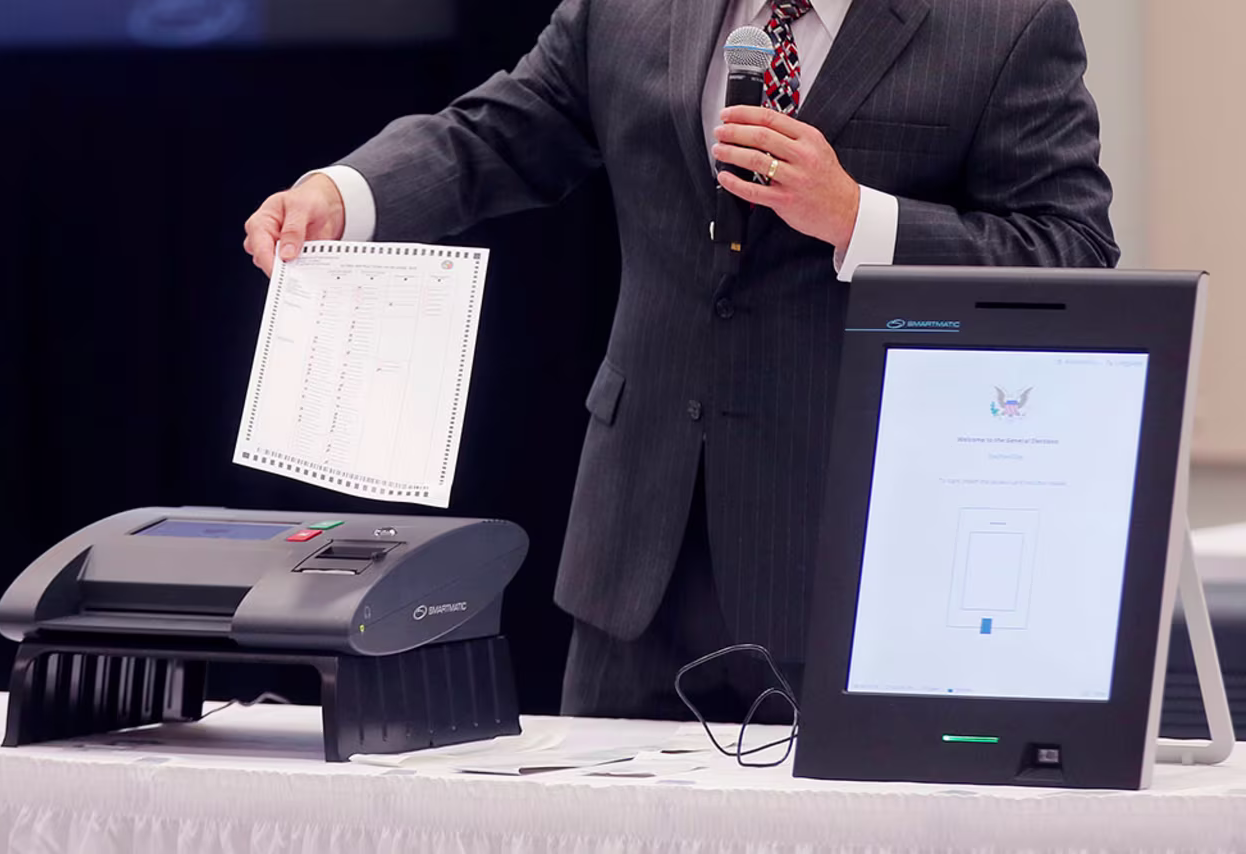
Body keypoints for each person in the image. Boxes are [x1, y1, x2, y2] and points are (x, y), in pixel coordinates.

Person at [244, 0, 1119, 723]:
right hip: (636, 561)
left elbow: (1072, 249)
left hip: (855, 559)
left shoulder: (1004, 21)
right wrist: (344, 194)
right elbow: (497, 135)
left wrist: (859, 218)